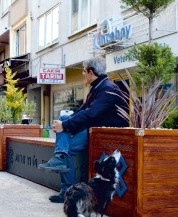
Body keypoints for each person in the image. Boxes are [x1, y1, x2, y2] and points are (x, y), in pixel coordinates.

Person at [38, 56, 129, 203]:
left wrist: (65, 126)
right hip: (94, 129)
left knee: (65, 149)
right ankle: (61, 161)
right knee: (63, 123)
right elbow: (82, 111)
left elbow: (91, 113)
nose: (82, 73)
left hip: (105, 133)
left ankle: (68, 187)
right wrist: (62, 123)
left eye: (84, 71)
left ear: (91, 72)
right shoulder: (98, 87)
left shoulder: (108, 89)